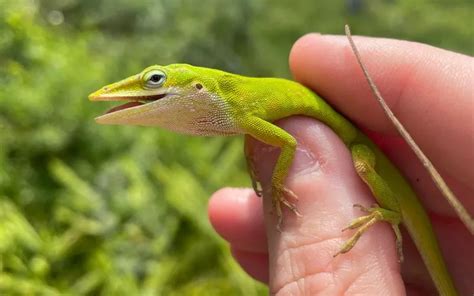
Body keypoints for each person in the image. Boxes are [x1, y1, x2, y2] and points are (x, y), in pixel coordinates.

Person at [208, 33, 474, 295]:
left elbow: (288, 144)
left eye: (162, 79)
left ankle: (391, 211)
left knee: (362, 167)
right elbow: (264, 136)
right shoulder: (243, 114)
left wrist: (277, 184)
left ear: (198, 86)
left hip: (358, 145)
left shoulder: (242, 111)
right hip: (349, 140)